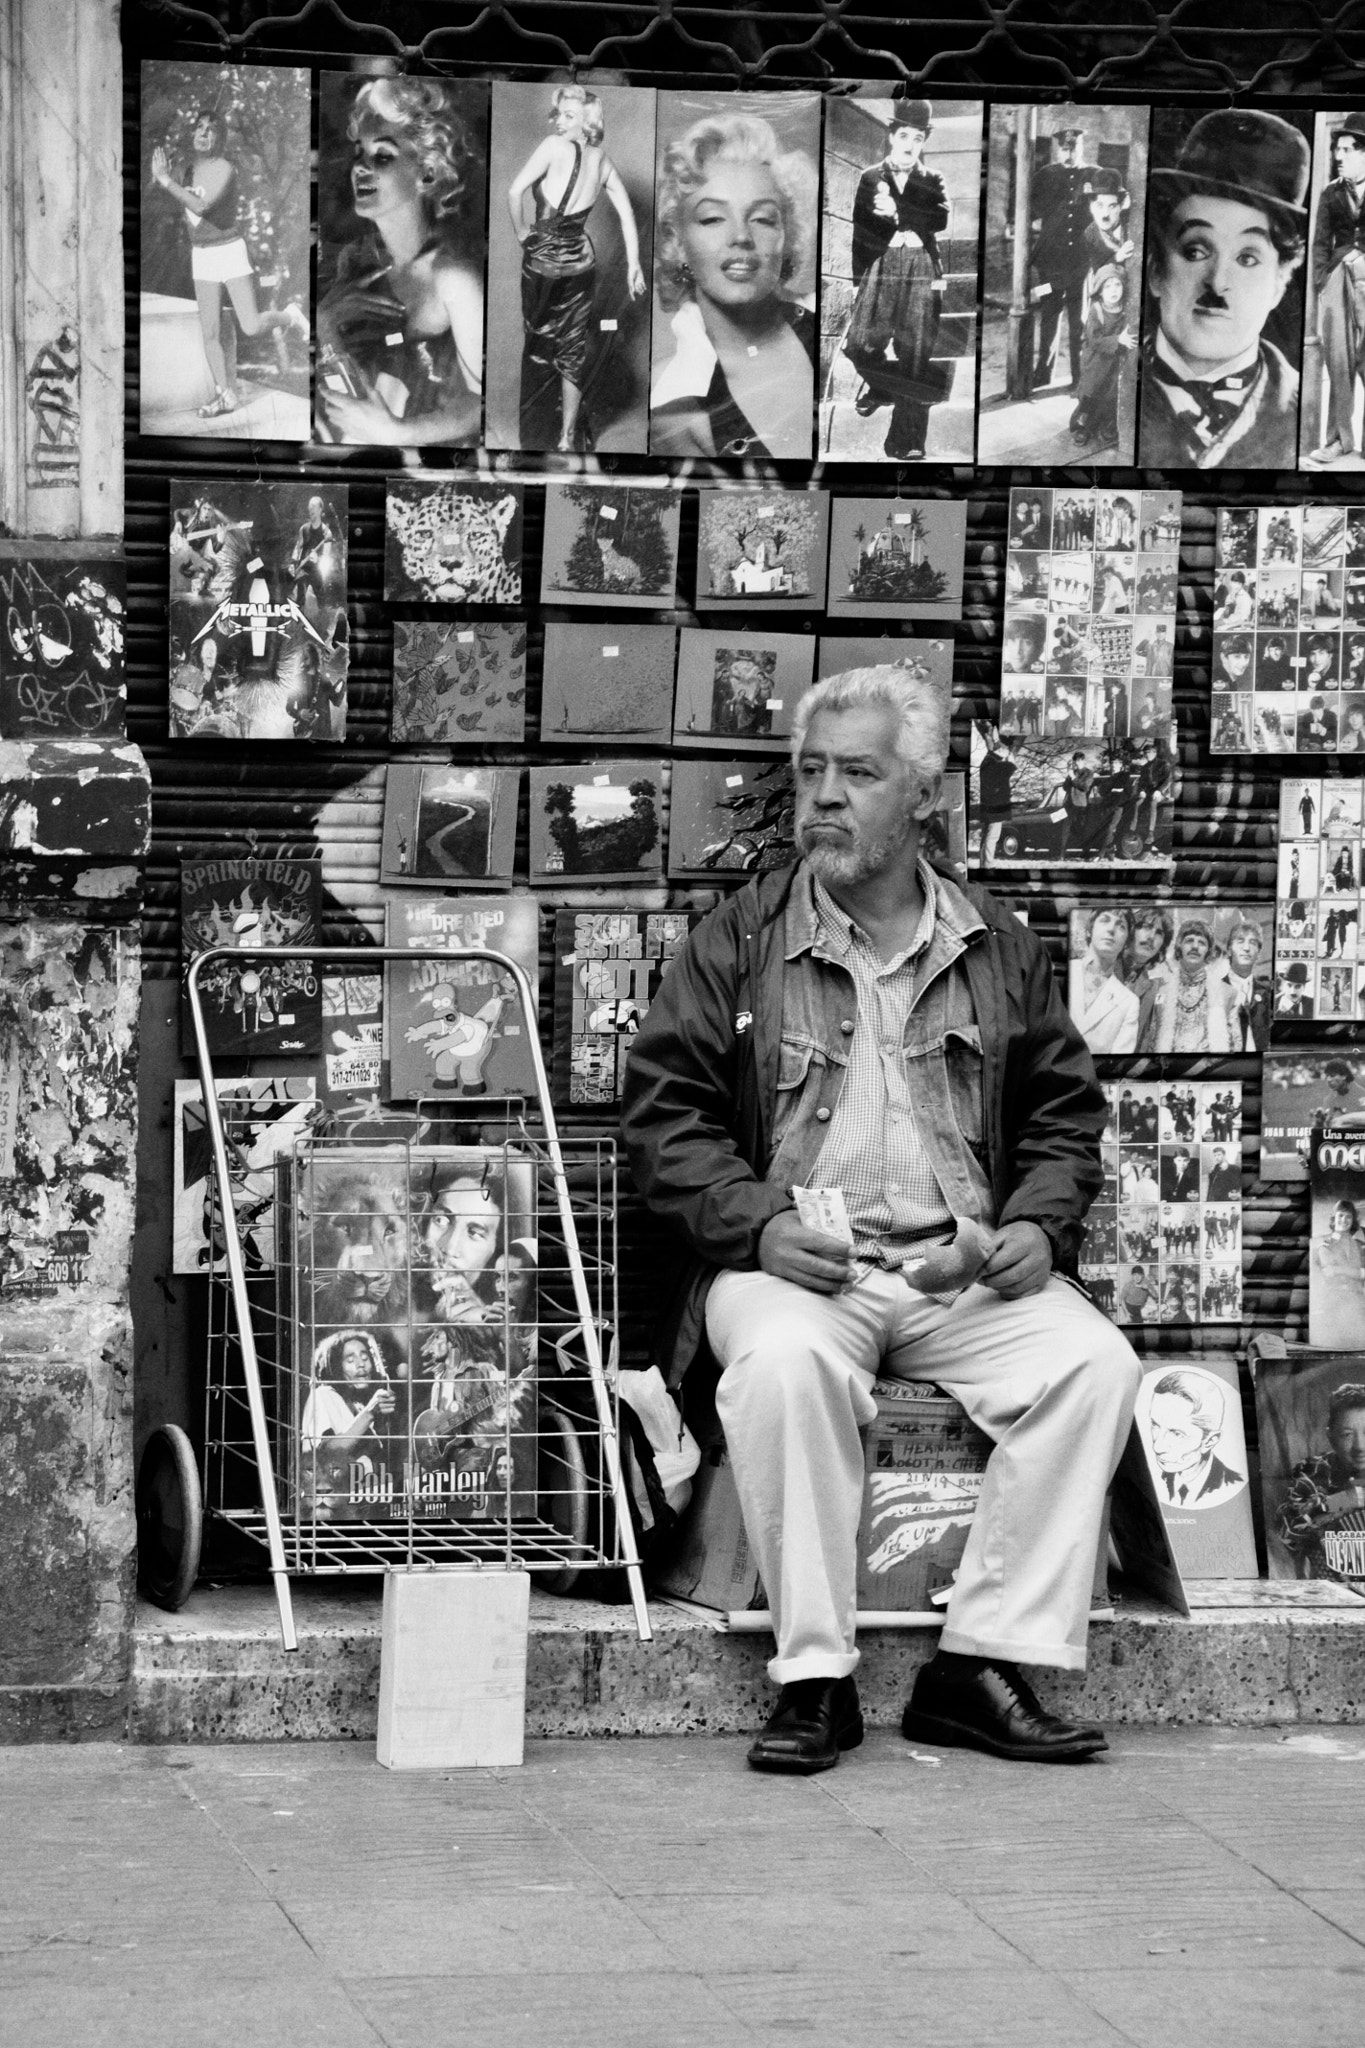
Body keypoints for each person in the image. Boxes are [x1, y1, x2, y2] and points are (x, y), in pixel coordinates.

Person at [621, 663, 1141, 1773]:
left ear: (925, 794)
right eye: (811, 772)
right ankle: (817, 1676)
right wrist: (757, 1223)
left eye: (857, 773)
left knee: (1092, 1361)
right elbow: (664, 1119)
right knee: (783, 1364)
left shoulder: (998, 944)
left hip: (956, 1271)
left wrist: (1037, 1228)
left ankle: (977, 1663)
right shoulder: (741, 940)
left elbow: (1063, 1115)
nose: (823, 798)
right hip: (795, 1261)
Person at [317, 77, 484, 446]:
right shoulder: (357, 259)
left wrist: (399, 433)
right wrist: (325, 325)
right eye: (358, 153)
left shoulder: (453, 278)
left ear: (426, 171)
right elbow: (348, 396)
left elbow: (482, 405)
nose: (360, 167)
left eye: (382, 155)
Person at [1139, 109, 1309, 469]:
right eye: (1196, 250)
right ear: (1156, 270)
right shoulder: (1108, 392)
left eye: (1248, 258)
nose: (1217, 282)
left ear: (1279, 285)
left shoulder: (1308, 410)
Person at [650, 111, 817, 459]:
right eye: (712, 218)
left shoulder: (834, 334)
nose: (741, 236)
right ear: (677, 241)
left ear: (786, 237)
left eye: (763, 218)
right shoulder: (670, 405)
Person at [507, 85, 646, 453]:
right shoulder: (602, 160)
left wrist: (523, 232)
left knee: (539, 344)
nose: (558, 122)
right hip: (582, 260)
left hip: (543, 260)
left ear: (588, 122)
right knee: (572, 349)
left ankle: (537, 435)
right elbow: (627, 213)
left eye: (568, 116)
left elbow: (514, 191)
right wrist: (633, 265)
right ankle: (567, 436)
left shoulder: (552, 149)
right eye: (558, 114)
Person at [148, 108, 308, 420]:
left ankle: (289, 316)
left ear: (220, 139)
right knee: (209, 333)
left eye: (212, 130)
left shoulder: (225, 168)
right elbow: (173, 199)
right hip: (202, 255)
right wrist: (165, 177)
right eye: (200, 128)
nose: (204, 134)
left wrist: (166, 180)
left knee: (249, 325)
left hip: (229, 250)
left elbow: (200, 206)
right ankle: (224, 394)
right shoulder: (185, 169)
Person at [839, 101, 950, 460]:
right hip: (881, 265)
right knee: (859, 345)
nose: (909, 144)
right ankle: (883, 387)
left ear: (923, 142)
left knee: (915, 353)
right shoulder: (871, 177)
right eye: (903, 135)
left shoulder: (933, 179)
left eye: (917, 138)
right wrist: (858, 280)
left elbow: (940, 219)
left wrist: (900, 211)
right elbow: (861, 229)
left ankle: (907, 442)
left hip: (921, 266)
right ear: (891, 136)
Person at [1309, 113, 1365, 464]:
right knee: (1338, 361)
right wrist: (1321, 282)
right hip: (1336, 282)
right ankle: (1338, 440)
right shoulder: (1331, 193)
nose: (1339, 155)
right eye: (1337, 149)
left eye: (1347, 149)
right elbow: (1319, 244)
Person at [1276, 1382, 1365, 1576]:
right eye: (1347, 1435)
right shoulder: (1312, 1471)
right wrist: (1342, 1500)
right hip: (1334, 1583)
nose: (1360, 1446)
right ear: (1330, 1436)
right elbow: (1285, 1533)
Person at [1030, 126, 1093, 390]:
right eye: (1064, 149)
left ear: (1081, 148)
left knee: (1079, 321)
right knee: (1048, 316)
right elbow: (1029, 209)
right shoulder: (1046, 175)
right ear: (1058, 149)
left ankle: (1079, 377)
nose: (1069, 153)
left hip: (1081, 261)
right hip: (1050, 263)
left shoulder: (1093, 174)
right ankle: (1043, 374)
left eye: (1073, 148)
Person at [1146, 1370, 1244, 1507]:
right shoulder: (1148, 1481)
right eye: (1155, 1425)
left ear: (1210, 1441)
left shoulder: (1231, 1484)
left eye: (1176, 1433)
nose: (1157, 1447)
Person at [1069, 265, 1134, 450]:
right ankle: (1083, 427)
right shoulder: (1096, 310)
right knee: (1090, 395)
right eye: (1107, 287)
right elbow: (1094, 340)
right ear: (1099, 290)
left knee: (1110, 395)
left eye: (1117, 285)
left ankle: (1108, 427)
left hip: (1113, 362)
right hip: (1095, 362)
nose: (1113, 291)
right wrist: (1118, 339)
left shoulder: (1125, 308)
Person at [1149, 918, 1235, 1053]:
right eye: (1189, 941)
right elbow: (1152, 1041)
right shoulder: (1162, 991)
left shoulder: (1227, 992)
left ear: (1208, 950)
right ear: (1179, 947)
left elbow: (1234, 1046)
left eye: (1201, 943)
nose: (1195, 946)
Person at [1069, 906, 1140, 1054]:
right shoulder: (1066, 971)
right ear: (1089, 930)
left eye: (1121, 926)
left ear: (1126, 942)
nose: (1111, 930)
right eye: (1105, 920)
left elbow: (1119, 1060)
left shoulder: (1128, 1002)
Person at [1311, 1197, 1365, 1347]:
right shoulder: (1324, 1246)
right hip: (1335, 1303)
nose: (1344, 1220)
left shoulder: (1361, 1246)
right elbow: (1329, 1273)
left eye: (1348, 1216)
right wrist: (1357, 1272)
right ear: (1334, 1219)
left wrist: (1338, 1269)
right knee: (1337, 1346)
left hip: (1358, 1304)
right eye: (1340, 1215)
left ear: (1353, 1220)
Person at [977, 729, 1017, 866]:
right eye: (1006, 749)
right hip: (995, 807)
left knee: (987, 836)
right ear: (1000, 749)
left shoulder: (989, 761)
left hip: (991, 806)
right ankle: (987, 864)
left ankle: (984, 863)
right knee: (992, 836)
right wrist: (1011, 762)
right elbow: (1007, 770)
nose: (1007, 752)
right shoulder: (993, 762)